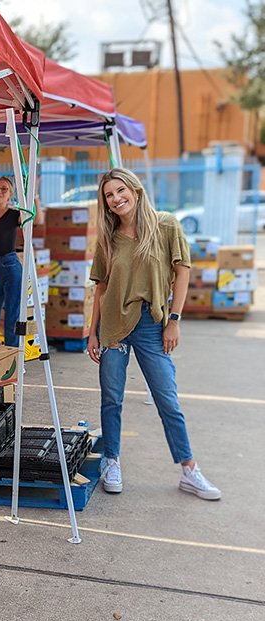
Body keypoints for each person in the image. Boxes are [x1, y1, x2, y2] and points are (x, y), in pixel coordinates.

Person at [87, 167, 221, 501]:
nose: (116, 199)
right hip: (114, 328)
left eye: (120, 191)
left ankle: (189, 469)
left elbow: (182, 272)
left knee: (166, 398)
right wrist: (93, 333)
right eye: (109, 195)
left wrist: (174, 320)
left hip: (151, 323)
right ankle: (112, 460)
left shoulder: (165, 226)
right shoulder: (108, 238)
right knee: (111, 398)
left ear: (135, 189)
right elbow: (101, 289)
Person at [0, 176, 43, 347]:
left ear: (10, 194)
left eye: (4, 189)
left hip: (11, 267)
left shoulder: (14, 214)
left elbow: (38, 220)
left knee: (12, 313)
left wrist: (34, 196)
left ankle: (13, 355)